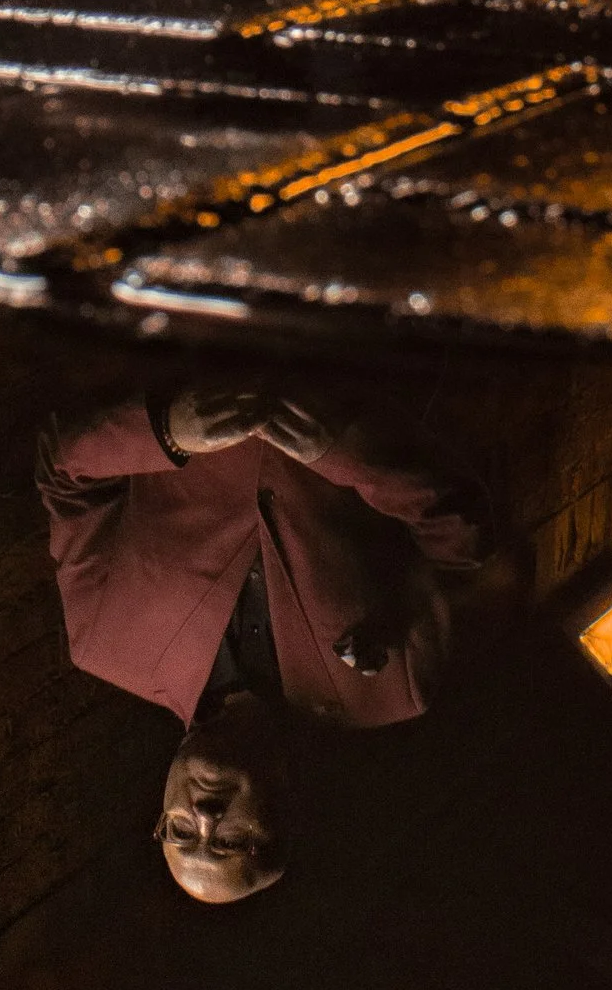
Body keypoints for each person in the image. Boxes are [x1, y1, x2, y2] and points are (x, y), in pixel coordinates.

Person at [35, 387, 488, 905]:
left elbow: (62, 473)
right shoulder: (394, 691)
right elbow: (460, 534)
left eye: (180, 833)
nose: (204, 818)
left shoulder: (104, 641)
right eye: (230, 842)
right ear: (287, 814)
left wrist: (163, 432)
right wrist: (345, 450)